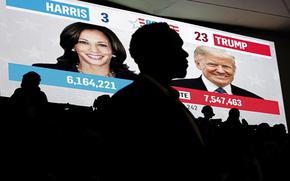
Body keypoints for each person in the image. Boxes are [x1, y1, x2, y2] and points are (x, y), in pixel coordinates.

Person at [97, 22, 217, 181]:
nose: (185, 54)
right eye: (177, 48)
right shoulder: (131, 103)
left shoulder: (165, 98)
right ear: (157, 53)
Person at [33, 22, 136, 80]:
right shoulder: (44, 72)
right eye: (84, 43)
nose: (94, 50)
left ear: (113, 50)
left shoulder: (134, 81)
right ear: (74, 47)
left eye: (102, 45)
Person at [172, 45, 263, 99]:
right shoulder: (175, 87)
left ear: (234, 69)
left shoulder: (254, 99)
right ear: (199, 64)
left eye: (226, 66)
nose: (220, 71)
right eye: (213, 65)